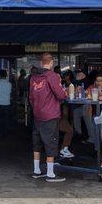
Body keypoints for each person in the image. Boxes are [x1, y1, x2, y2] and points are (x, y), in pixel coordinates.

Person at [29, 53, 68, 182]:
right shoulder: (51, 75)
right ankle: (50, 174)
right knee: (51, 143)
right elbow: (60, 95)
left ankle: (36, 171)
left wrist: (36, 108)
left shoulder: (33, 77)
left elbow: (31, 97)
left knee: (37, 143)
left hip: (37, 114)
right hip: (50, 115)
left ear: (41, 63)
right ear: (51, 63)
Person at [72, 69, 99, 146]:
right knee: (76, 112)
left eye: (79, 73)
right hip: (85, 104)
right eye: (77, 73)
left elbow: (87, 93)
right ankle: (79, 133)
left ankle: (92, 138)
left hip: (92, 106)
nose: (77, 75)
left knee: (86, 112)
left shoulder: (87, 81)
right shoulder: (88, 84)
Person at [0, 69, 12, 138]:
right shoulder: (9, 84)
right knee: (6, 119)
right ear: (6, 76)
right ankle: (5, 132)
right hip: (7, 104)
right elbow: (10, 93)